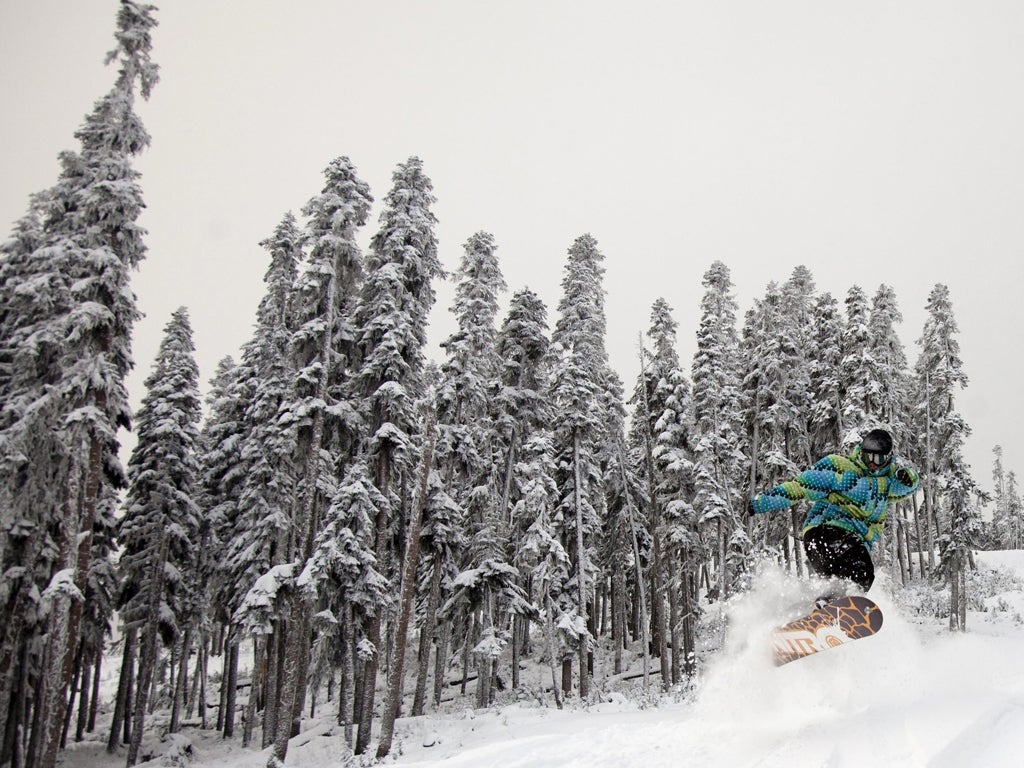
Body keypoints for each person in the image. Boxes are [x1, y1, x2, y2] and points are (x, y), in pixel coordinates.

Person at [749, 428, 920, 599]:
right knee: (859, 573)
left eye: (879, 458)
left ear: (888, 458)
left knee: (846, 582)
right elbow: (800, 487)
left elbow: (905, 487)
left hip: (852, 543)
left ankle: (822, 611)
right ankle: (833, 605)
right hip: (826, 531)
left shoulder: (888, 482)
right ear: (861, 451)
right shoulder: (840, 467)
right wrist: (763, 502)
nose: (873, 463)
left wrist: (908, 477)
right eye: (868, 456)